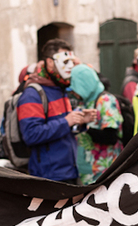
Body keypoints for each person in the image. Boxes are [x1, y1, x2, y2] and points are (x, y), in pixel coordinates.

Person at [17, 39, 95, 182]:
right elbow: (31, 134)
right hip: (49, 178)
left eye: (72, 61)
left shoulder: (60, 90)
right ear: (50, 63)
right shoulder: (32, 94)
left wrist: (80, 122)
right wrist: (67, 122)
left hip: (70, 172)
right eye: (65, 62)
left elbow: (63, 130)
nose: (71, 67)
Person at [69, 64, 124, 185]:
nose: (73, 92)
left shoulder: (105, 100)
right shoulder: (85, 101)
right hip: (87, 172)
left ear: (84, 84)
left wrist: (86, 128)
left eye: (75, 86)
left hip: (104, 172)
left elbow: (111, 137)